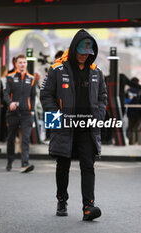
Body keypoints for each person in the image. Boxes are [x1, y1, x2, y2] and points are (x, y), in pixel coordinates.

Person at [40, 29, 107, 221]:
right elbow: (45, 95)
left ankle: (89, 207)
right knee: (63, 165)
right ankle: (62, 199)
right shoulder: (57, 69)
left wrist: (100, 115)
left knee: (88, 165)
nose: (85, 56)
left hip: (87, 128)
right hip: (64, 126)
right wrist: (56, 117)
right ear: (73, 48)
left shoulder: (96, 72)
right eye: (82, 51)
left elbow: (103, 97)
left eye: (88, 53)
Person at [3, 54, 35, 173]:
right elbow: (5, 93)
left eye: (24, 62)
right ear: (16, 64)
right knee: (11, 138)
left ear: (26, 64)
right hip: (12, 113)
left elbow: (33, 97)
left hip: (27, 114)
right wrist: (10, 103)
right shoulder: (10, 77)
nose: (22, 65)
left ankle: (25, 164)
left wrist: (32, 111)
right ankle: (10, 161)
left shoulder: (31, 79)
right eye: (20, 62)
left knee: (25, 139)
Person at [126, 78, 141, 145]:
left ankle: (131, 143)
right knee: (140, 129)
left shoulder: (128, 91)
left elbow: (126, 100)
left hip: (130, 112)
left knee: (131, 129)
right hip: (140, 112)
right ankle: (140, 143)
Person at [0, 65, 8, 142]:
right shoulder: (5, 80)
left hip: (1, 103)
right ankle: (5, 136)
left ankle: (1, 136)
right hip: (6, 102)